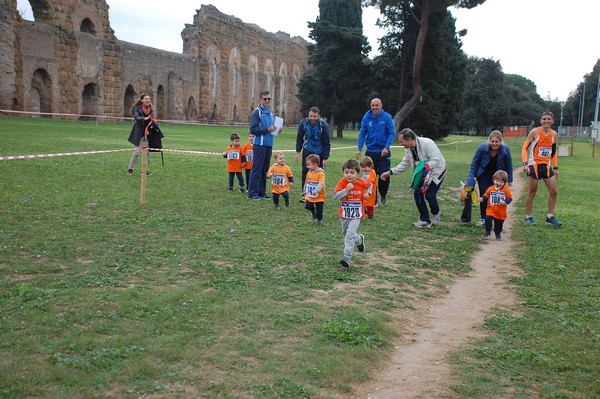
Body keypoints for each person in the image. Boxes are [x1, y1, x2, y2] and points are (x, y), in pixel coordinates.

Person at [380, 128, 446, 228]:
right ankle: (424, 220)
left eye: (402, 141)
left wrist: (422, 165)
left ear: (409, 139)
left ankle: (436, 214)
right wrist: (389, 172)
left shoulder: (428, 143)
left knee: (430, 195)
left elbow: (436, 161)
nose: (401, 144)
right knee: (417, 192)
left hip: (437, 171)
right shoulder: (409, 150)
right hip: (423, 174)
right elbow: (404, 164)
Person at [521, 111, 562, 226]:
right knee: (532, 192)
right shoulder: (535, 132)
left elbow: (553, 152)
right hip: (534, 165)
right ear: (541, 120)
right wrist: (525, 164)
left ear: (552, 121)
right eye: (544, 119)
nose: (546, 121)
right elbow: (524, 148)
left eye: (549, 119)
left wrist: (555, 167)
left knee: (554, 191)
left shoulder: (554, 134)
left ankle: (550, 217)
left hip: (546, 166)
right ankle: (528, 217)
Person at [468, 130, 513, 226]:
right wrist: (471, 177)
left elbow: (509, 164)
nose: (494, 144)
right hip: (483, 175)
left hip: (498, 176)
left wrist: (510, 179)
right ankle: (484, 218)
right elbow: (474, 162)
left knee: (497, 197)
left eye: (497, 142)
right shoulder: (482, 148)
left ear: (500, 142)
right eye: (492, 141)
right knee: (485, 196)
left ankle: (497, 219)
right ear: (489, 141)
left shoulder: (505, 149)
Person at [356, 98, 396, 205]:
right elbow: (362, 133)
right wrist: (360, 149)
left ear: (381, 105)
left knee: (383, 175)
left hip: (383, 152)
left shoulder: (387, 117)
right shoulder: (366, 117)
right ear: (370, 106)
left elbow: (392, 133)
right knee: (370, 176)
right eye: (372, 105)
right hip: (370, 152)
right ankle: (373, 199)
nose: (374, 108)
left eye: (376, 105)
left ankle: (383, 195)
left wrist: (386, 147)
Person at [333, 160, 372, 268]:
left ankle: (347, 257)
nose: (349, 174)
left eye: (352, 172)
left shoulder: (361, 182)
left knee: (349, 234)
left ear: (357, 174)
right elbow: (335, 196)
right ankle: (359, 239)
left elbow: (370, 185)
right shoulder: (342, 182)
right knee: (346, 233)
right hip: (344, 214)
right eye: (346, 172)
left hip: (357, 214)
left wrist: (367, 193)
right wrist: (346, 190)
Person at [248, 90, 279, 200]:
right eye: (265, 99)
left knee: (265, 169)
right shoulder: (257, 112)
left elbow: (271, 127)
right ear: (260, 99)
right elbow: (253, 129)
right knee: (257, 168)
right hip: (259, 144)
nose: (267, 101)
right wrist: (267, 129)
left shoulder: (270, 112)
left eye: (269, 99)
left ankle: (261, 192)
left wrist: (277, 129)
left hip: (269, 144)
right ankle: (252, 192)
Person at [295, 106, 331, 202]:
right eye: (311, 116)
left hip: (320, 151)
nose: (312, 118)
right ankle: (305, 194)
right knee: (305, 171)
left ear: (319, 116)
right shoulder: (303, 123)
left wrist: (325, 158)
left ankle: (319, 195)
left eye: (315, 116)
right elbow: (299, 138)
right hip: (308, 149)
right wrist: (298, 151)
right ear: (308, 115)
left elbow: (327, 143)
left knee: (319, 173)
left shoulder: (324, 126)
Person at [479, 170, 513, 240]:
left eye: (501, 182)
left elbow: (510, 198)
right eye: (497, 181)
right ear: (494, 180)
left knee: (499, 224)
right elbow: (486, 195)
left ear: (504, 183)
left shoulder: (506, 190)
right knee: (488, 219)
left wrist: (505, 201)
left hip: (500, 211)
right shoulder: (491, 188)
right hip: (491, 209)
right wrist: (482, 198)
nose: (498, 183)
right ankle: (487, 231)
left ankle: (498, 234)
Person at [127, 93, 153, 176]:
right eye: (146, 99)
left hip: (147, 133)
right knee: (137, 152)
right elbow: (137, 118)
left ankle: (144, 170)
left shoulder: (151, 109)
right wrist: (145, 118)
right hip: (139, 133)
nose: (148, 100)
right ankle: (130, 169)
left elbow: (151, 120)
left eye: (149, 99)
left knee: (147, 152)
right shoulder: (137, 109)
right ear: (142, 100)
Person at [303, 154, 326, 225]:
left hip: (319, 196)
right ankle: (313, 211)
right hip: (310, 195)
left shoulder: (321, 174)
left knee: (320, 209)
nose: (307, 166)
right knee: (307, 205)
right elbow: (306, 182)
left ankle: (319, 220)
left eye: (308, 165)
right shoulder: (309, 173)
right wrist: (304, 190)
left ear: (315, 164)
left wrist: (316, 190)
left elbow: (321, 183)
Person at [360, 156, 377, 221]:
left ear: (370, 166)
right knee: (363, 202)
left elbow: (369, 181)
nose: (363, 169)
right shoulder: (365, 173)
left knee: (370, 204)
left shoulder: (372, 172)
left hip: (370, 192)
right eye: (362, 167)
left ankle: (370, 215)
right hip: (364, 191)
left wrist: (363, 183)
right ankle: (363, 213)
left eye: (365, 167)